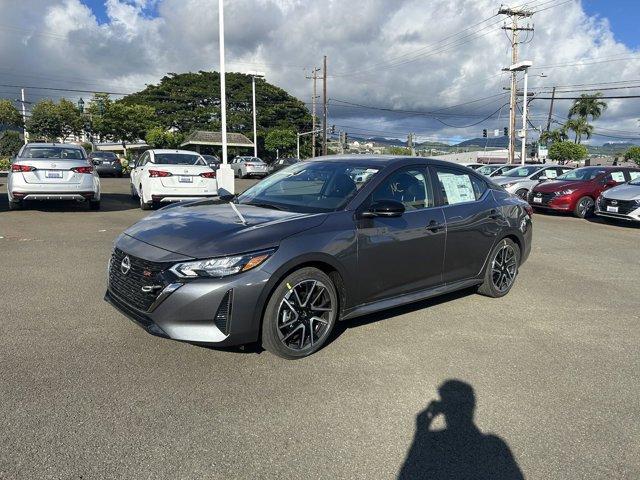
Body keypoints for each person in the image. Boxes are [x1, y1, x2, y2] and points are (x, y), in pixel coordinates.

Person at [398, 380, 524, 480]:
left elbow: (408, 475)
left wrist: (421, 432)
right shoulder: (494, 447)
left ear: (443, 409)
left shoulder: (432, 443)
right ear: (471, 407)